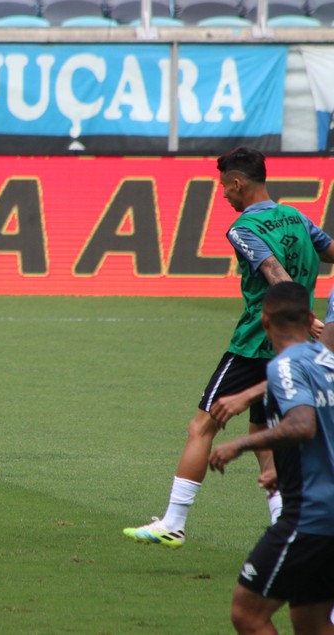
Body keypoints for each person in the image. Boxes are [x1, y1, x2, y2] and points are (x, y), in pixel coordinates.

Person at [124, 147, 334, 548]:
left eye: (225, 188)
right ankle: (283, 525)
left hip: (256, 341)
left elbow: (273, 271)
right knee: (264, 430)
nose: (224, 196)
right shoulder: (297, 217)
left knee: (203, 425)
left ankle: (173, 520)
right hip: (289, 347)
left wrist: (300, 314)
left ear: (238, 183)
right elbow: (331, 252)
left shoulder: (243, 228)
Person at [208, 282, 334, 635]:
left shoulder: (283, 367)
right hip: (325, 507)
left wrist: (239, 446)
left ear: (265, 321)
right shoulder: (327, 361)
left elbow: (303, 425)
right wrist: (286, 467)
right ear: (310, 318)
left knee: (247, 613)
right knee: (310, 620)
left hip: (310, 516)